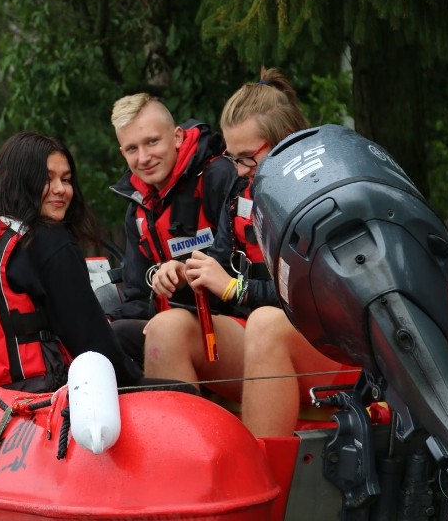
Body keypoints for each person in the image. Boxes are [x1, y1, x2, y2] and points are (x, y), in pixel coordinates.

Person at [145, 68, 350, 437]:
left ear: (285, 141)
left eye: (246, 158)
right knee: (166, 329)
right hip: (263, 345)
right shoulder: (241, 190)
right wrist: (181, 275)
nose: (238, 170)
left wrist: (238, 291)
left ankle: (256, 480)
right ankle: (190, 467)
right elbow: (223, 266)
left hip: (337, 351)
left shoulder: (326, 191)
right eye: (232, 157)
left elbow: (328, 299)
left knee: (266, 323)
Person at [0, 131, 142, 393]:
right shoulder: (48, 238)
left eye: (66, 179)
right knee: (183, 393)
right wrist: (137, 378)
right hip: (49, 395)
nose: (61, 189)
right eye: (47, 179)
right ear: (22, 181)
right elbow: (90, 340)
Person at [108, 94, 238, 368]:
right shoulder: (138, 208)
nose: (143, 158)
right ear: (122, 153)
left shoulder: (218, 176)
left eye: (152, 142)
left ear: (177, 137)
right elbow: (137, 296)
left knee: (166, 330)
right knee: (107, 336)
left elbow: (237, 268)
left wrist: (181, 273)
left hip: (236, 320)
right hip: (174, 323)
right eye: (132, 149)